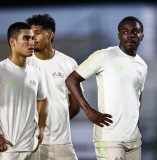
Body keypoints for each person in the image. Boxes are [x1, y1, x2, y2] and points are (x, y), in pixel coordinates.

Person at [65, 16, 147, 160]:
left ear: (142, 36)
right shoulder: (104, 56)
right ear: (119, 35)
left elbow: (138, 94)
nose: (130, 35)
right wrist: (89, 111)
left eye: (135, 31)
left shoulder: (142, 65)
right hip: (110, 138)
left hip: (134, 139)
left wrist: (136, 117)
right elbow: (72, 80)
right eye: (125, 31)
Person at [25, 13, 81, 160]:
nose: (33, 38)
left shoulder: (68, 64)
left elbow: (76, 105)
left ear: (50, 35)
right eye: (30, 35)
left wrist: (58, 122)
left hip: (61, 142)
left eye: (37, 33)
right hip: (30, 142)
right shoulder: (23, 63)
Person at [0, 22, 48, 160]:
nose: (32, 42)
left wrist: (42, 127)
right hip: (9, 149)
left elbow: (43, 99)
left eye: (33, 38)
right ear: (12, 41)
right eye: (26, 38)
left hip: (33, 148)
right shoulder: (1, 70)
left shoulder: (36, 73)